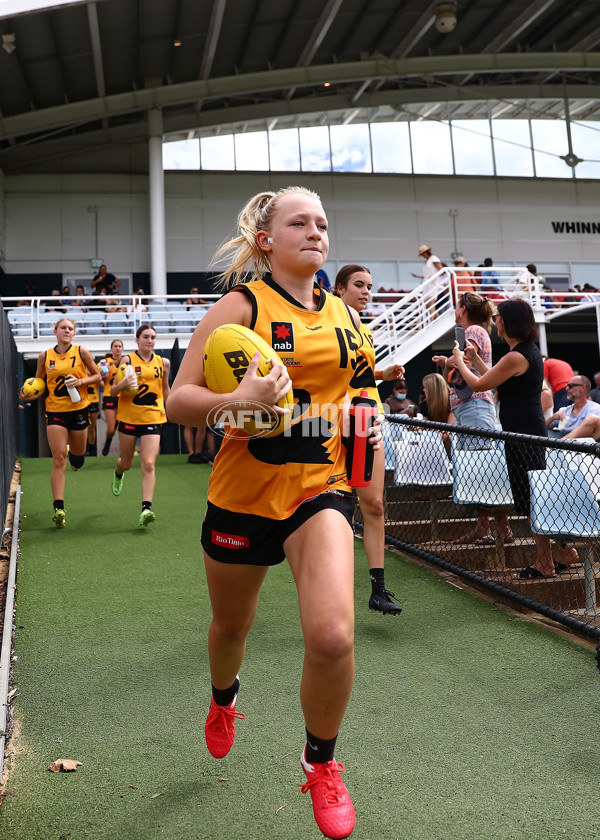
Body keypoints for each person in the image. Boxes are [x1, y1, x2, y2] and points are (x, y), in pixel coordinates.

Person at [166, 186, 383, 840]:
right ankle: (224, 699)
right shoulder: (241, 306)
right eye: (299, 221)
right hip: (240, 496)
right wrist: (244, 400)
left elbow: (364, 396)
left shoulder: (348, 318)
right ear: (267, 239)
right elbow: (179, 400)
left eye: (321, 222)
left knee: (332, 636)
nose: (315, 231)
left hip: (318, 489)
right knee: (232, 629)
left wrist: (364, 441)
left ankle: (321, 762)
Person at [452, 298, 574, 579]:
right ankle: (564, 552)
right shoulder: (524, 353)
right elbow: (497, 378)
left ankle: (545, 562)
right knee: (534, 495)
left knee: (531, 498)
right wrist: (477, 360)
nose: (495, 321)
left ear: (508, 321)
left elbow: (480, 385)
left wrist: (460, 361)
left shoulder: (517, 355)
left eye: (498, 317)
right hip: (526, 430)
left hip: (523, 433)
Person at [333, 263, 404, 615]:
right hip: (336, 421)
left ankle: (378, 590)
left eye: (370, 286)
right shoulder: (328, 324)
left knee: (373, 505)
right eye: (358, 285)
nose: (366, 292)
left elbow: (357, 372)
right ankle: (333, 587)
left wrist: (382, 373)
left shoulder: (365, 329)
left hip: (369, 417)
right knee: (337, 507)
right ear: (339, 288)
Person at [433, 291, 512, 545]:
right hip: (473, 407)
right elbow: (466, 362)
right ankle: (488, 527)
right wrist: (448, 361)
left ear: (463, 309)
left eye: (457, 306)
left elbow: (466, 360)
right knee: (479, 468)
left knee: (482, 468)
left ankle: (493, 528)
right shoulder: (477, 331)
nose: (455, 310)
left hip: (475, 406)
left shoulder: (474, 332)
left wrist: (450, 362)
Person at [19, 317, 101, 528]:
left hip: (79, 410)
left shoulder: (81, 351)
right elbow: (38, 384)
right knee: (58, 458)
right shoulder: (44, 356)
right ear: (55, 331)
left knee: (78, 458)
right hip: (55, 411)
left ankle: (76, 457)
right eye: (63, 327)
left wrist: (80, 381)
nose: (67, 331)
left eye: (70, 328)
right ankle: (59, 508)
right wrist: (28, 395)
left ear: (74, 333)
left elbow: (98, 376)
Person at [110, 324, 170, 527]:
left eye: (153, 337)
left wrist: (169, 409)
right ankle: (119, 472)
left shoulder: (163, 362)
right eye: (146, 337)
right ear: (137, 339)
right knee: (126, 462)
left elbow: (165, 389)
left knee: (149, 463)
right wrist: (122, 385)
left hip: (153, 417)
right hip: (128, 418)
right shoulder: (127, 360)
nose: (150, 340)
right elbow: (112, 392)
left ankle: (146, 508)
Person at [546, 375, 600, 440]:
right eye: (567, 386)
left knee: (593, 419)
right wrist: (552, 418)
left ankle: (561, 444)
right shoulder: (564, 411)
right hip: (563, 447)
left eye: (570, 386)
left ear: (582, 388)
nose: (566, 389)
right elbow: (544, 427)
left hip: (584, 447)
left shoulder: (595, 408)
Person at [419, 372, 456, 455]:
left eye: (425, 387)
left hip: (450, 443)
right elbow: (423, 427)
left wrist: (431, 431)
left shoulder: (452, 401)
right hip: (432, 440)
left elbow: (449, 430)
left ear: (432, 388)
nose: (423, 390)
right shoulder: (425, 404)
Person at [101, 338, 125, 456]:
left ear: (122, 349)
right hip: (109, 395)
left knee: (122, 426)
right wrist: (102, 372)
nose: (117, 348)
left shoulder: (126, 361)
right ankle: (108, 441)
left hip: (123, 397)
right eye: (115, 346)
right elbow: (93, 373)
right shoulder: (106, 361)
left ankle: (124, 451)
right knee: (112, 429)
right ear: (111, 348)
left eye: (120, 346)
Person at [412, 244, 444, 320]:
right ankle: (437, 319)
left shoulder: (433, 258)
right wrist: (418, 277)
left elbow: (441, 269)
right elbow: (428, 275)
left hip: (433, 284)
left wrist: (433, 276)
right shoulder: (427, 261)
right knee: (428, 304)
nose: (423, 256)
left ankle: (431, 321)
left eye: (423, 254)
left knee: (430, 302)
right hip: (427, 284)